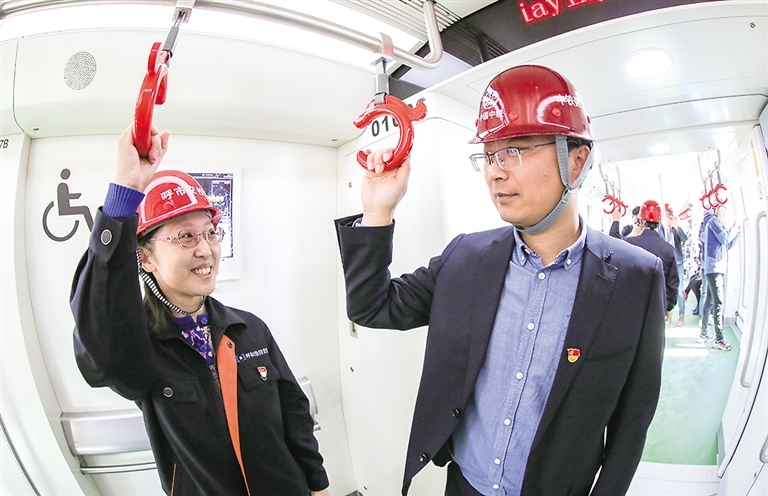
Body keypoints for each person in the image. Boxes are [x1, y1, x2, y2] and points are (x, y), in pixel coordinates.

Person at [335, 65, 665, 496]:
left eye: (515, 151)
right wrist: (378, 210)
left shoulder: (635, 278)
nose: (495, 172)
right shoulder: (465, 258)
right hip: (464, 485)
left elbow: (632, 423)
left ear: (576, 160)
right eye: (489, 156)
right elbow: (371, 307)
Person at [71, 126, 332, 495]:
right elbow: (100, 347)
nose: (206, 249)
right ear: (146, 257)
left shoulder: (248, 328)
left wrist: (318, 485)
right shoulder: (142, 346)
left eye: (210, 233)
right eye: (185, 236)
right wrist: (123, 195)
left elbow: (294, 412)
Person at [624, 200, 680, 319]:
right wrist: (668, 306)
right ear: (659, 223)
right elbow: (673, 284)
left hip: (632, 306)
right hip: (658, 306)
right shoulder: (668, 250)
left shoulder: (629, 244)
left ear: (640, 221)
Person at [698, 203, 741, 350]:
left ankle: (703, 334)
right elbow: (725, 239)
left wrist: (738, 233)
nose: (725, 214)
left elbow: (726, 246)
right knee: (719, 303)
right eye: (724, 210)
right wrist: (734, 227)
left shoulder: (715, 223)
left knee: (709, 301)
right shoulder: (714, 221)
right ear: (716, 209)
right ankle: (719, 339)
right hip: (714, 267)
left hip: (714, 267)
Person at [665, 204, 688, 326]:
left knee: (679, 290)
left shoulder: (676, 229)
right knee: (667, 288)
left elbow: (685, 238)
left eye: (668, 215)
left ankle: (682, 315)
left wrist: (677, 227)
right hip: (667, 261)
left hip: (678, 262)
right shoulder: (662, 229)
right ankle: (669, 314)